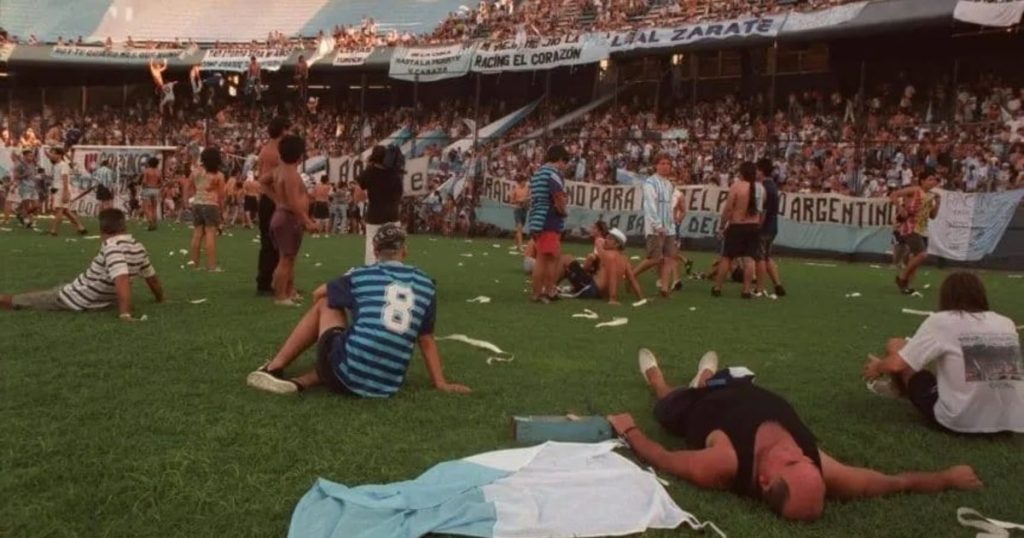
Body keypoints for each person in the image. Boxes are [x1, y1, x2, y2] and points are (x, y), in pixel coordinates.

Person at [605, 348, 984, 522]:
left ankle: (658, 377)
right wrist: (946, 478)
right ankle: (706, 374)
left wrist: (630, 430)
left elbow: (665, 458)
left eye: (793, 461)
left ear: (765, 479)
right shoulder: (814, 466)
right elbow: (890, 483)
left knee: (667, 398)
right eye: (806, 460)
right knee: (712, 380)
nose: (801, 453)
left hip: (695, 409)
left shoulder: (722, 464)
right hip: (744, 386)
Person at [245, 224, 470, 397]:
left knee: (326, 303)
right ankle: (303, 381)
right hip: (387, 384)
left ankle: (274, 366)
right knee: (357, 344)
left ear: (375, 250)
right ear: (405, 251)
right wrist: (440, 383)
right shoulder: (426, 284)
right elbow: (426, 338)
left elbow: (318, 294)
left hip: (346, 371)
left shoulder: (361, 275)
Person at [863, 272, 1023, 434]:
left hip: (958, 421)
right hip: (1008, 422)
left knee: (896, 346)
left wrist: (878, 367)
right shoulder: (1005, 322)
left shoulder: (943, 321)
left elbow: (896, 365)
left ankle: (895, 389)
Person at [1, 209, 164, 318]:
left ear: (102, 231)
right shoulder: (138, 247)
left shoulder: (112, 247)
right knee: (50, 292)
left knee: (20, 300)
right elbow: (152, 279)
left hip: (76, 298)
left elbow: (121, 279)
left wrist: (125, 315)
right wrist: (161, 299)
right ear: (124, 226)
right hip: (89, 296)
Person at [267, 134, 317, 306]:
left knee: (289, 258)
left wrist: (275, 198)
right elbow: (294, 202)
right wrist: (307, 221)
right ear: (300, 155)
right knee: (286, 258)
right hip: (288, 217)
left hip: (284, 215)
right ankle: (281, 296)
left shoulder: (280, 171)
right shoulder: (291, 175)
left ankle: (288, 291)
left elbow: (262, 182)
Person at [713, 161, 765, 298]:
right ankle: (746, 290)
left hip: (737, 225)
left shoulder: (737, 186)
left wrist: (721, 225)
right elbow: (762, 211)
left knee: (727, 257)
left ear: (741, 173)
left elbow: (728, 208)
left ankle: (717, 287)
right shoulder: (760, 188)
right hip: (753, 226)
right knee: (749, 259)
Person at [526, 145, 570, 304]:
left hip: (538, 218)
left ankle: (547, 290)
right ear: (559, 160)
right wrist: (563, 210)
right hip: (549, 218)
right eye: (565, 162)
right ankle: (542, 293)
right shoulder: (553, 173)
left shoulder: (538, 173)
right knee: (547, 259)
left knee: (553, 256)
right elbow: (558, 195)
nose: (565, 167)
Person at [633, 155, 678, 298]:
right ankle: (632, 275)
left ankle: (664, 289)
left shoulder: (669, 184)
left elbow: (670, 206)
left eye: (668, 164)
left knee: (670, 258)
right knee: (655, 258)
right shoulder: (650, 183)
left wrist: (671, 223)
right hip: (655, 227)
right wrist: (657, 225)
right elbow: (650, 205)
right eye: (662, 163)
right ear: (656, 165)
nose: (665, 166)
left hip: (669, 226)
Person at [256, 117, 290, 295]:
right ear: (282, 130)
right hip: (272, 200)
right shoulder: (275, 153)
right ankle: (266, 283)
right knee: (273, 244)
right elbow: (265, 182)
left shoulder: (266, 150)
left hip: (268, 200)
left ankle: (271, 282)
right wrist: (279, 201)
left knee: (271, 243)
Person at [892, 172, 940, 294]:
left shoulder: (930, 196)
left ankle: (906, 285)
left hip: (922, 229)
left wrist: (938, 202)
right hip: (910, 227)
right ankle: (902, 278)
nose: (932, 182)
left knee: (916, 258)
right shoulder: (915, 190)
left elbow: (933, 216)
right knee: (922, 255)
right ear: (922, 181)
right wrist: (900, 208)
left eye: (934, 180)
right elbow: (894, 194)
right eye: (930, 179)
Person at [357, 145, 404, 265]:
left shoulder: (368, 172)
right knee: (395, 246)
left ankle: (371, 274)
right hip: (393, 215)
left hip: (374, 215)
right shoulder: (395, 174)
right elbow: (399, 195)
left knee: (371, 245)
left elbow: (358, 195)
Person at [573, 228, 644, 305]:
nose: (606, 240)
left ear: (617, 244)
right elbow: (632, 279)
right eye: (606, 237)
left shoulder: (608, 255)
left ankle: (560, 287)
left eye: (609, 238)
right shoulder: (624, 259)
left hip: (592, 290)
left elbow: (612, 276)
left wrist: (612, 298)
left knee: (567, 260)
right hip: (599, 292)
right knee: (589, 261)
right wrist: (641, 298)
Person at [188, 148, 226, 272]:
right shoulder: (219, 175)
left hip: (197, 203)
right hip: (211, 205)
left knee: (197, 233)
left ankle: (194, 264)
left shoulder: (195, 172)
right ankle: (212, 266)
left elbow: (189, 186)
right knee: (210, 234)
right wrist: (222, 212)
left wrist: (191, 199)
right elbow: (221, 196)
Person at [754, 158, 786, 298]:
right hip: (773, 226)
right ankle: (777, 284)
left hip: (764, 227)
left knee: (760, 257)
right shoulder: (773, 185)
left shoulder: (764, 187)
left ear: (760, 170)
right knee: (767, 256)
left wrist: (757, 227)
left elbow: (763, 211)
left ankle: (760, 288)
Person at [46, 148, 87, 236]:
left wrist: (65, 192)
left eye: (53, 153)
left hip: (61, 189)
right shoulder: (56, 165)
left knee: (59, 210)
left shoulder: (63, 165)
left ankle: (54, 231)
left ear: (59, 155)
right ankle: (81, 227)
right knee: (66, 211)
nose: (51, 155)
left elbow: (65, 179)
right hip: (57, 188)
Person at [139, 157, 163, 231]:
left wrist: (143, 188)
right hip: (156, 190)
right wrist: (157, 187)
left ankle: (150, 222)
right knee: (154, 208)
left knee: (146, 208)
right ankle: (154, 224)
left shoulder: (147, 171)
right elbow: (161, 182)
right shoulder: (159, 171)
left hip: (148, 189)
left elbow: (144, 181)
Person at [511, 174, 530, 251]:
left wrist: (527, 200)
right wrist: (520, 201)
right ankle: (520, 246)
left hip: (524, 209)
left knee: (520, 228)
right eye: (523, 181)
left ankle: (516, 244)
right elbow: (512, 200)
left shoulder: (527, 188)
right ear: (520, 181)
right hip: (517, 209)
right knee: (519, 227)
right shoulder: (515, 189)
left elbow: (529, 197)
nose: (525, 182)